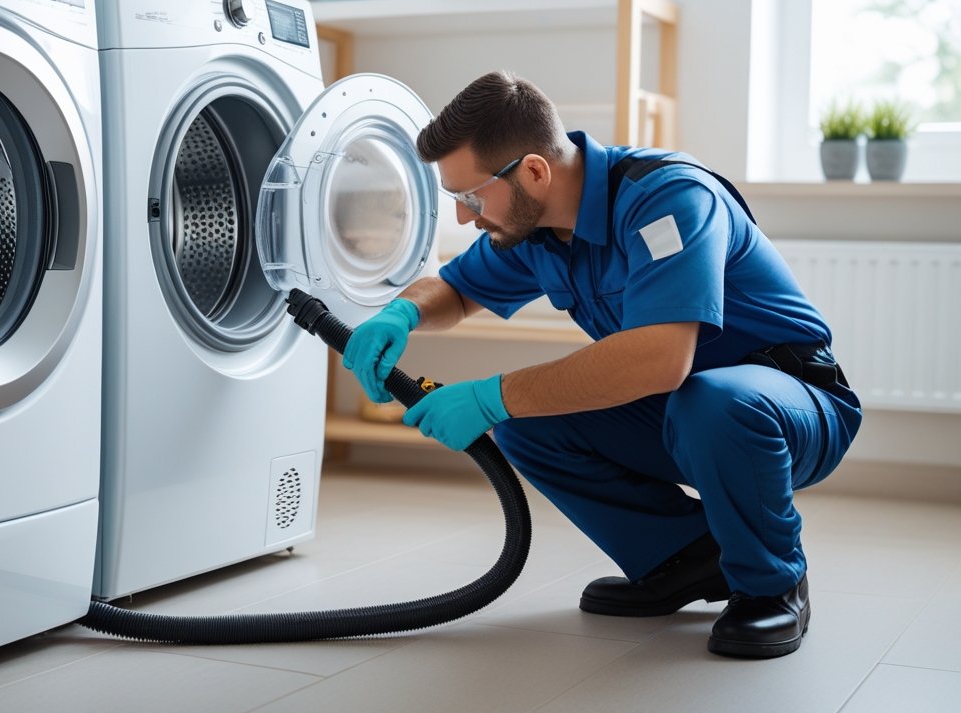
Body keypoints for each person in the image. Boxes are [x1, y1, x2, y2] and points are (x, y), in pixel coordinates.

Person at [342, 71, 862, 659]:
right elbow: (457, 291)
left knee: (708, 400)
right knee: (526, 421)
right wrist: (400, 314)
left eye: (471, 196)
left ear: (534, 170)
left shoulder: (668, 199)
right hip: (684, 410)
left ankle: (773, 584)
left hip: (793, 405)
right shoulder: (534, 227)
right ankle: (689, 559)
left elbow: (661, 360)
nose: (464, 218)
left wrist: (490, 393)